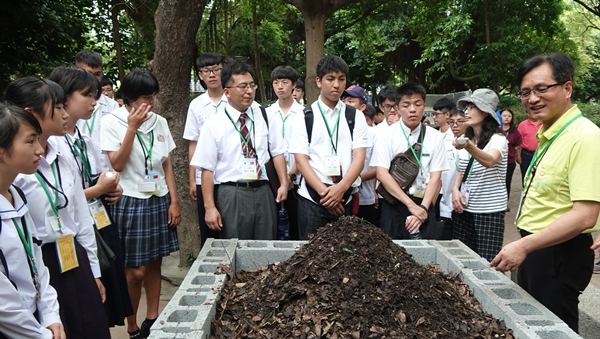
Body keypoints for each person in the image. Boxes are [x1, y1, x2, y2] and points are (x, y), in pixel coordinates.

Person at [491, 53, 600, 333]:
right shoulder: (549, 133)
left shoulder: (583, 137)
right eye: (526, 92)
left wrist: (523, 246)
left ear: (567, 88)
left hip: (558, 253)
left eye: (542, 88)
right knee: (532, 326)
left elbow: (585, 215)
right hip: (537, 248)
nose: (533, 98)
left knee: (554, 329)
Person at [7, 77, 111, 339]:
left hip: (72, 256)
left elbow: (81, 218)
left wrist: (94, 272)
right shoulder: (15, 172)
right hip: (40, 263)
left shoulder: (62, 157)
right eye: (58, 107)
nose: (66, 115)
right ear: (32, 114)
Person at [49, 66, 133, 328]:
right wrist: (97, 191)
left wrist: (111, 189)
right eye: (87, 95)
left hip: (97, 221)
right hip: (69, 232)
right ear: (63, 98)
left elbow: (96, 175)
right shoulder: (51, 144)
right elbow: (62, 200)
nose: (94, 102)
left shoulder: (83, 136)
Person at [101, 69, 181, 338]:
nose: (152, 102)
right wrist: (132, 128)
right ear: (130, 99)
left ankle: (153, 317)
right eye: (146, 97)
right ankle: (131, 324)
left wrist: (174, 201)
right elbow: (117, 163)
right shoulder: (111, 121)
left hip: (158, 198)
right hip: (130, 201)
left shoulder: (159, 121)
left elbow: (166, 163)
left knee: (156, 262)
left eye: (153, 96)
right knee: (134, 272)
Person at [192, 61, 289, 240]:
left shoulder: (265, 116)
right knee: (233, 250)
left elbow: (277, 152)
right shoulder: (214, 124)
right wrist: (210, 207)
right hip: (231, 193)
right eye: (243, 86)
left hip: (264, 191)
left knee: (265, 248)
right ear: (227, 91)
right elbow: (206, 169)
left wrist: (283, 183)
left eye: (252, 86)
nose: (249, 91)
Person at [0, 103, 66, 339]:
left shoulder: (16, 194)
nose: (39, 150)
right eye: (30, 141)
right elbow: (3, 304)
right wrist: (39, 334)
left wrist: (50, 316)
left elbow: (36, 261)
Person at [289, 56, 369, 239]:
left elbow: (359, 158)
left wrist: (341, 188)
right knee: (309, 258)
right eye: (330, 79)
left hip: (344, 196)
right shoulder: (304, 117)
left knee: (345, 256)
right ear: (319, 81)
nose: (336, 85)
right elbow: (301, 161)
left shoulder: (355, 116)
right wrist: (326, 195)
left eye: (341, 79)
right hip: (312, 198)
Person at [371, 83, 448, 239]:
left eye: (417, 104)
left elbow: (435, 177)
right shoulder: (386, 135)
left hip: (424, 203)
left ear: (424, 106)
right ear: (398, 108)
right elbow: (382, 174)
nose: (412, 109)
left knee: (426, 257)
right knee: (392, 254)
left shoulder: (435, 137)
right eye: (406, 105)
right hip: (394, 204)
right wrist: (411, 206)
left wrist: (423, 210)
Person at [451, 89, 508, 262]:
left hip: (489, 211)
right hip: (464, 209)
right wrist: (455, 189)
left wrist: (468, 146)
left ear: (485, 111)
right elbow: (461, 170)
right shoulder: (465, 138)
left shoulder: (498, 139)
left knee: (487, 262)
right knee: (464, 259)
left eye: (471, 107)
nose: (466, 112)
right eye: (465, 107)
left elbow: (490, 160)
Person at [183, 52, 227, 247]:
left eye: (216, 69)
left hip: (229, 176)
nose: (212, 74)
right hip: (204, 177)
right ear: (200, 75)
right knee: (208, 229)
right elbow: (193, 143)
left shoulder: (235, 100)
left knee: (228, 226)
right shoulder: (196, 105)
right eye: (207, 71)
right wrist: (193, 179)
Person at [266, 65, 304, 240]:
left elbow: (304, 149)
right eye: (276, 82)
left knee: (296, 225)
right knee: (274, 224)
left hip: (299, 179)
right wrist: (282, 179)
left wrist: (290, 176)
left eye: (284, 82)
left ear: (294, 85)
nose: (279, 86)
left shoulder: (304, 114)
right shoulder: (266, 113)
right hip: (273, 178)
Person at [75, 50, 120, 170]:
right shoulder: (70, 104)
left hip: (107, 168)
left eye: (98, 74)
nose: (94, 79)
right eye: (89, 74)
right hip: (80, 166)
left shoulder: (112, 105)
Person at [341, 85, 378, 226]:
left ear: (363, 107)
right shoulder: (337, 130)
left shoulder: (374, 134)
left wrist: (355, 179)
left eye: (351, 101)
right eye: (343, 101)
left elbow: (377, 168)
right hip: (340, 196)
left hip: (364, 198)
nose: (345, 105)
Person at [432, 97, 457, 239]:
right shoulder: (432, 135)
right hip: (433, 187)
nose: (434, 117)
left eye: (437, 114)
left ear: (447, 114)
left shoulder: (456, 136)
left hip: (448, 188)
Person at [500, 108, 522, 205]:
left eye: (509, 116)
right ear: (500, 117)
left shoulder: (514, 132)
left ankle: (505, 202)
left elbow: (518, 145)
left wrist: (518, 156)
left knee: (507, 182)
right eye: (504, 115)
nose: (506, 118)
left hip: (509, 161)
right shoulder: (496, 129)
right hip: (497, 161)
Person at [517, 109, 542, 184]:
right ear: (527, 114)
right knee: (525, 175)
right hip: (526, 154)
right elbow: (518, 142)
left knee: (540, 175)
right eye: (530, 113)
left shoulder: (544, 123)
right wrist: (517, 155)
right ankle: (525, 192)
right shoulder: (523, 124)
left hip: (540, 153)